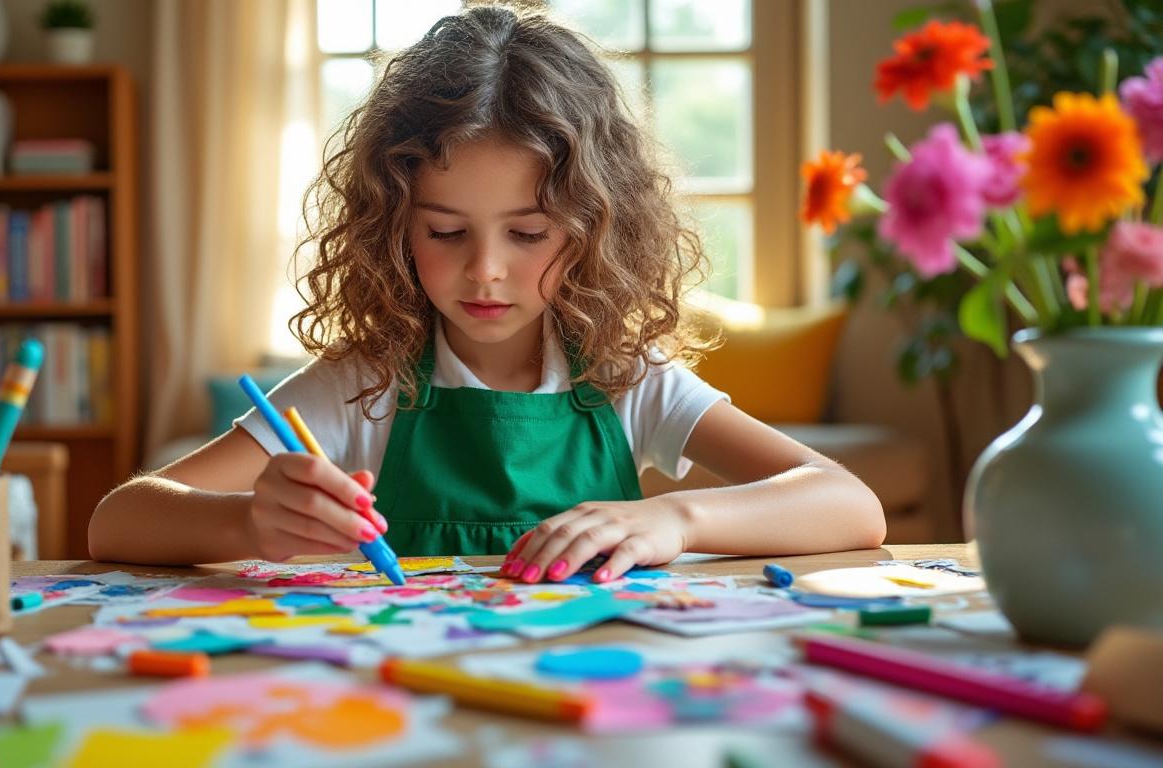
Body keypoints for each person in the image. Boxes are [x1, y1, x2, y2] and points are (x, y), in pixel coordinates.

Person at [90, 4, 885, 581]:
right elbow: (115, 519)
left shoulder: (620, 377)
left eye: (529, 234)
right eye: (444, 232)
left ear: (593, 229)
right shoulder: (362, 384)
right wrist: (246, 521)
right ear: (392, 226)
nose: (485, 270)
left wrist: (677, 517)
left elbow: (849, 504)